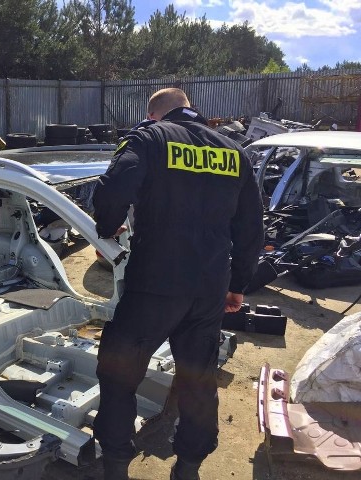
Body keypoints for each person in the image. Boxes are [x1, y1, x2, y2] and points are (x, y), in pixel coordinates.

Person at [92, 88, 264, 480]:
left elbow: (114, 188)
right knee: (198, 379)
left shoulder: (149, 138)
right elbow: (252, 227)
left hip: (154, 284)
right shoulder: (233, 151)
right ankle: (188, 468)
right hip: (208, 290)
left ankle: (117, 464)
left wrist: (107, 225)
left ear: (155, 115)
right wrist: (238, 285)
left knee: (119, 374)